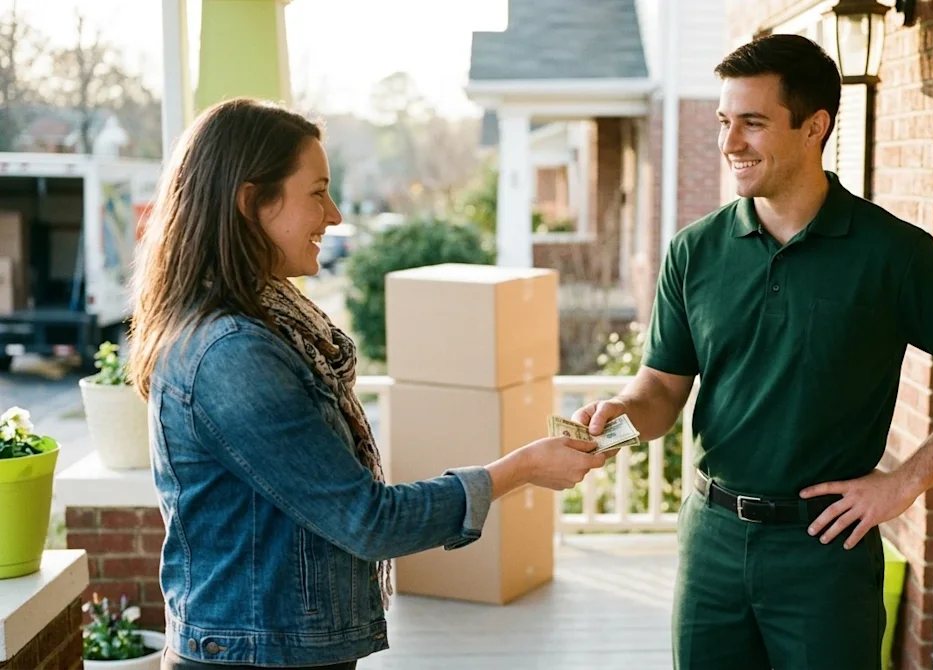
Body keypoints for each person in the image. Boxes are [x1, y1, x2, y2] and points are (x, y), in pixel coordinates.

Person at [573, 34, 933, 670]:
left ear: (815, 127)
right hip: (712, 539)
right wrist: (609, 427)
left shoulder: (892, 253)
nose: (730, 143)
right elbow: (660, 394)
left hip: (825, 550)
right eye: (724, 122)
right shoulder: (693, 251)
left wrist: (903, 484)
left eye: (752, 124)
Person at [127, 98, 608, 670]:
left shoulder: (268, 322)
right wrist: (522, 469)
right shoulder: (233, 352)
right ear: (251, 202)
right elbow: (368, 520)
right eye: (317, 192)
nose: (333, 215)